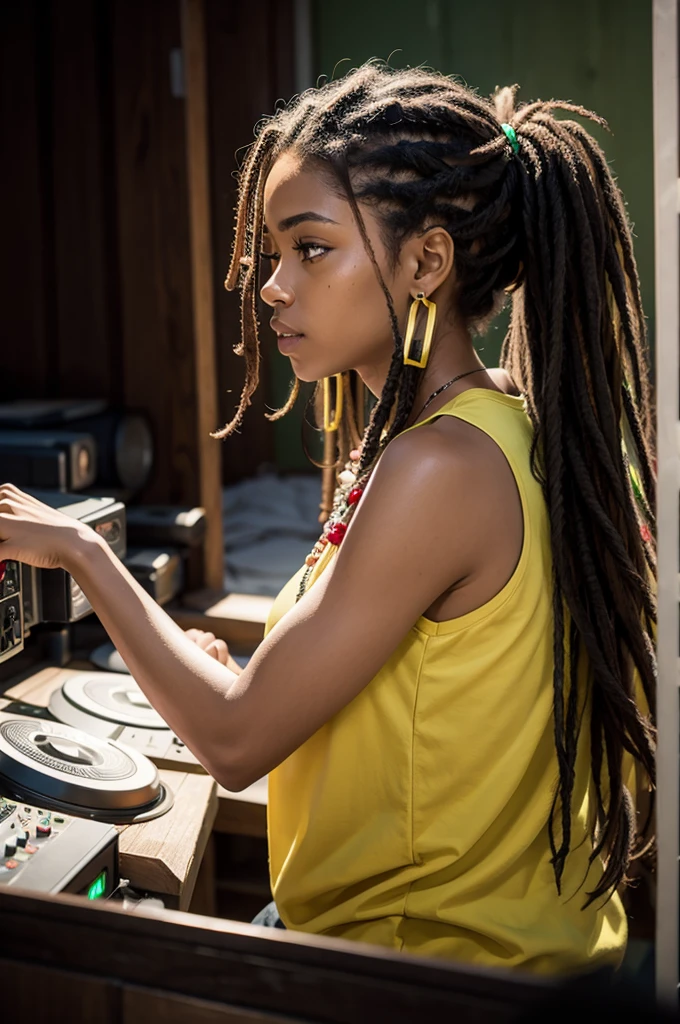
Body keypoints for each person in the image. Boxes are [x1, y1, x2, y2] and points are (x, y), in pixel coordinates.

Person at [0, 64, 655, 975]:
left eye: (311, 249)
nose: (272, 286)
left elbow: (234, 743)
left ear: (426, 262)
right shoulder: (491, 426)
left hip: (419, 977)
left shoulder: (440, 467)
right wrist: (254, 678)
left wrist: (77, 548)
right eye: (274, 252)